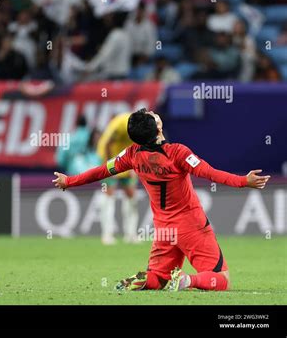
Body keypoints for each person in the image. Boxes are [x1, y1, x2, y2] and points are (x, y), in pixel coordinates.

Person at [52, 109, 270, 291]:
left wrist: (69, 181)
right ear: (157, 128)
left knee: (158, 276)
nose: (154, 113)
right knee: (222, 279)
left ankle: (137, 280)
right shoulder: (178, 153)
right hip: (191, 226)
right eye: (152, 115)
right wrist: (243, 181)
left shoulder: (132, 154)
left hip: (164, 229)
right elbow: (210, 173)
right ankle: (187, 280)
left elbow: (101, 171)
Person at [96, 112, 139, 245]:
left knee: (131, 194)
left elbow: (138, 148)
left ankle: (131, 234)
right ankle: (107, 235)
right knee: (109, 194)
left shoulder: (141, 129)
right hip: (109, 157)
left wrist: (135, 167)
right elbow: (108, 144)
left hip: (126, 159)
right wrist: (110, 166)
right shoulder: (122, 124)